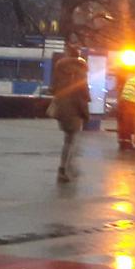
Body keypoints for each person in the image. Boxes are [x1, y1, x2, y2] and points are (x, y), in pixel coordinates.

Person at [51, 45, 90, 183]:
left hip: (62, 107)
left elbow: (54, 87)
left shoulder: (60, 68)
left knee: (68, 138)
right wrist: (86, 111)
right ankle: (64, 168)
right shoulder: (80, 70)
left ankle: (66, 166)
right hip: (75, 107)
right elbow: (83, 92)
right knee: (71, 139)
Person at [117, 71, 135, 150]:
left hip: (122, 102)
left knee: (123, 123)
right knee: (129, 124)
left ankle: (122, 143)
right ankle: (127, 144)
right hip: (131, 103)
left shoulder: (131, 80)